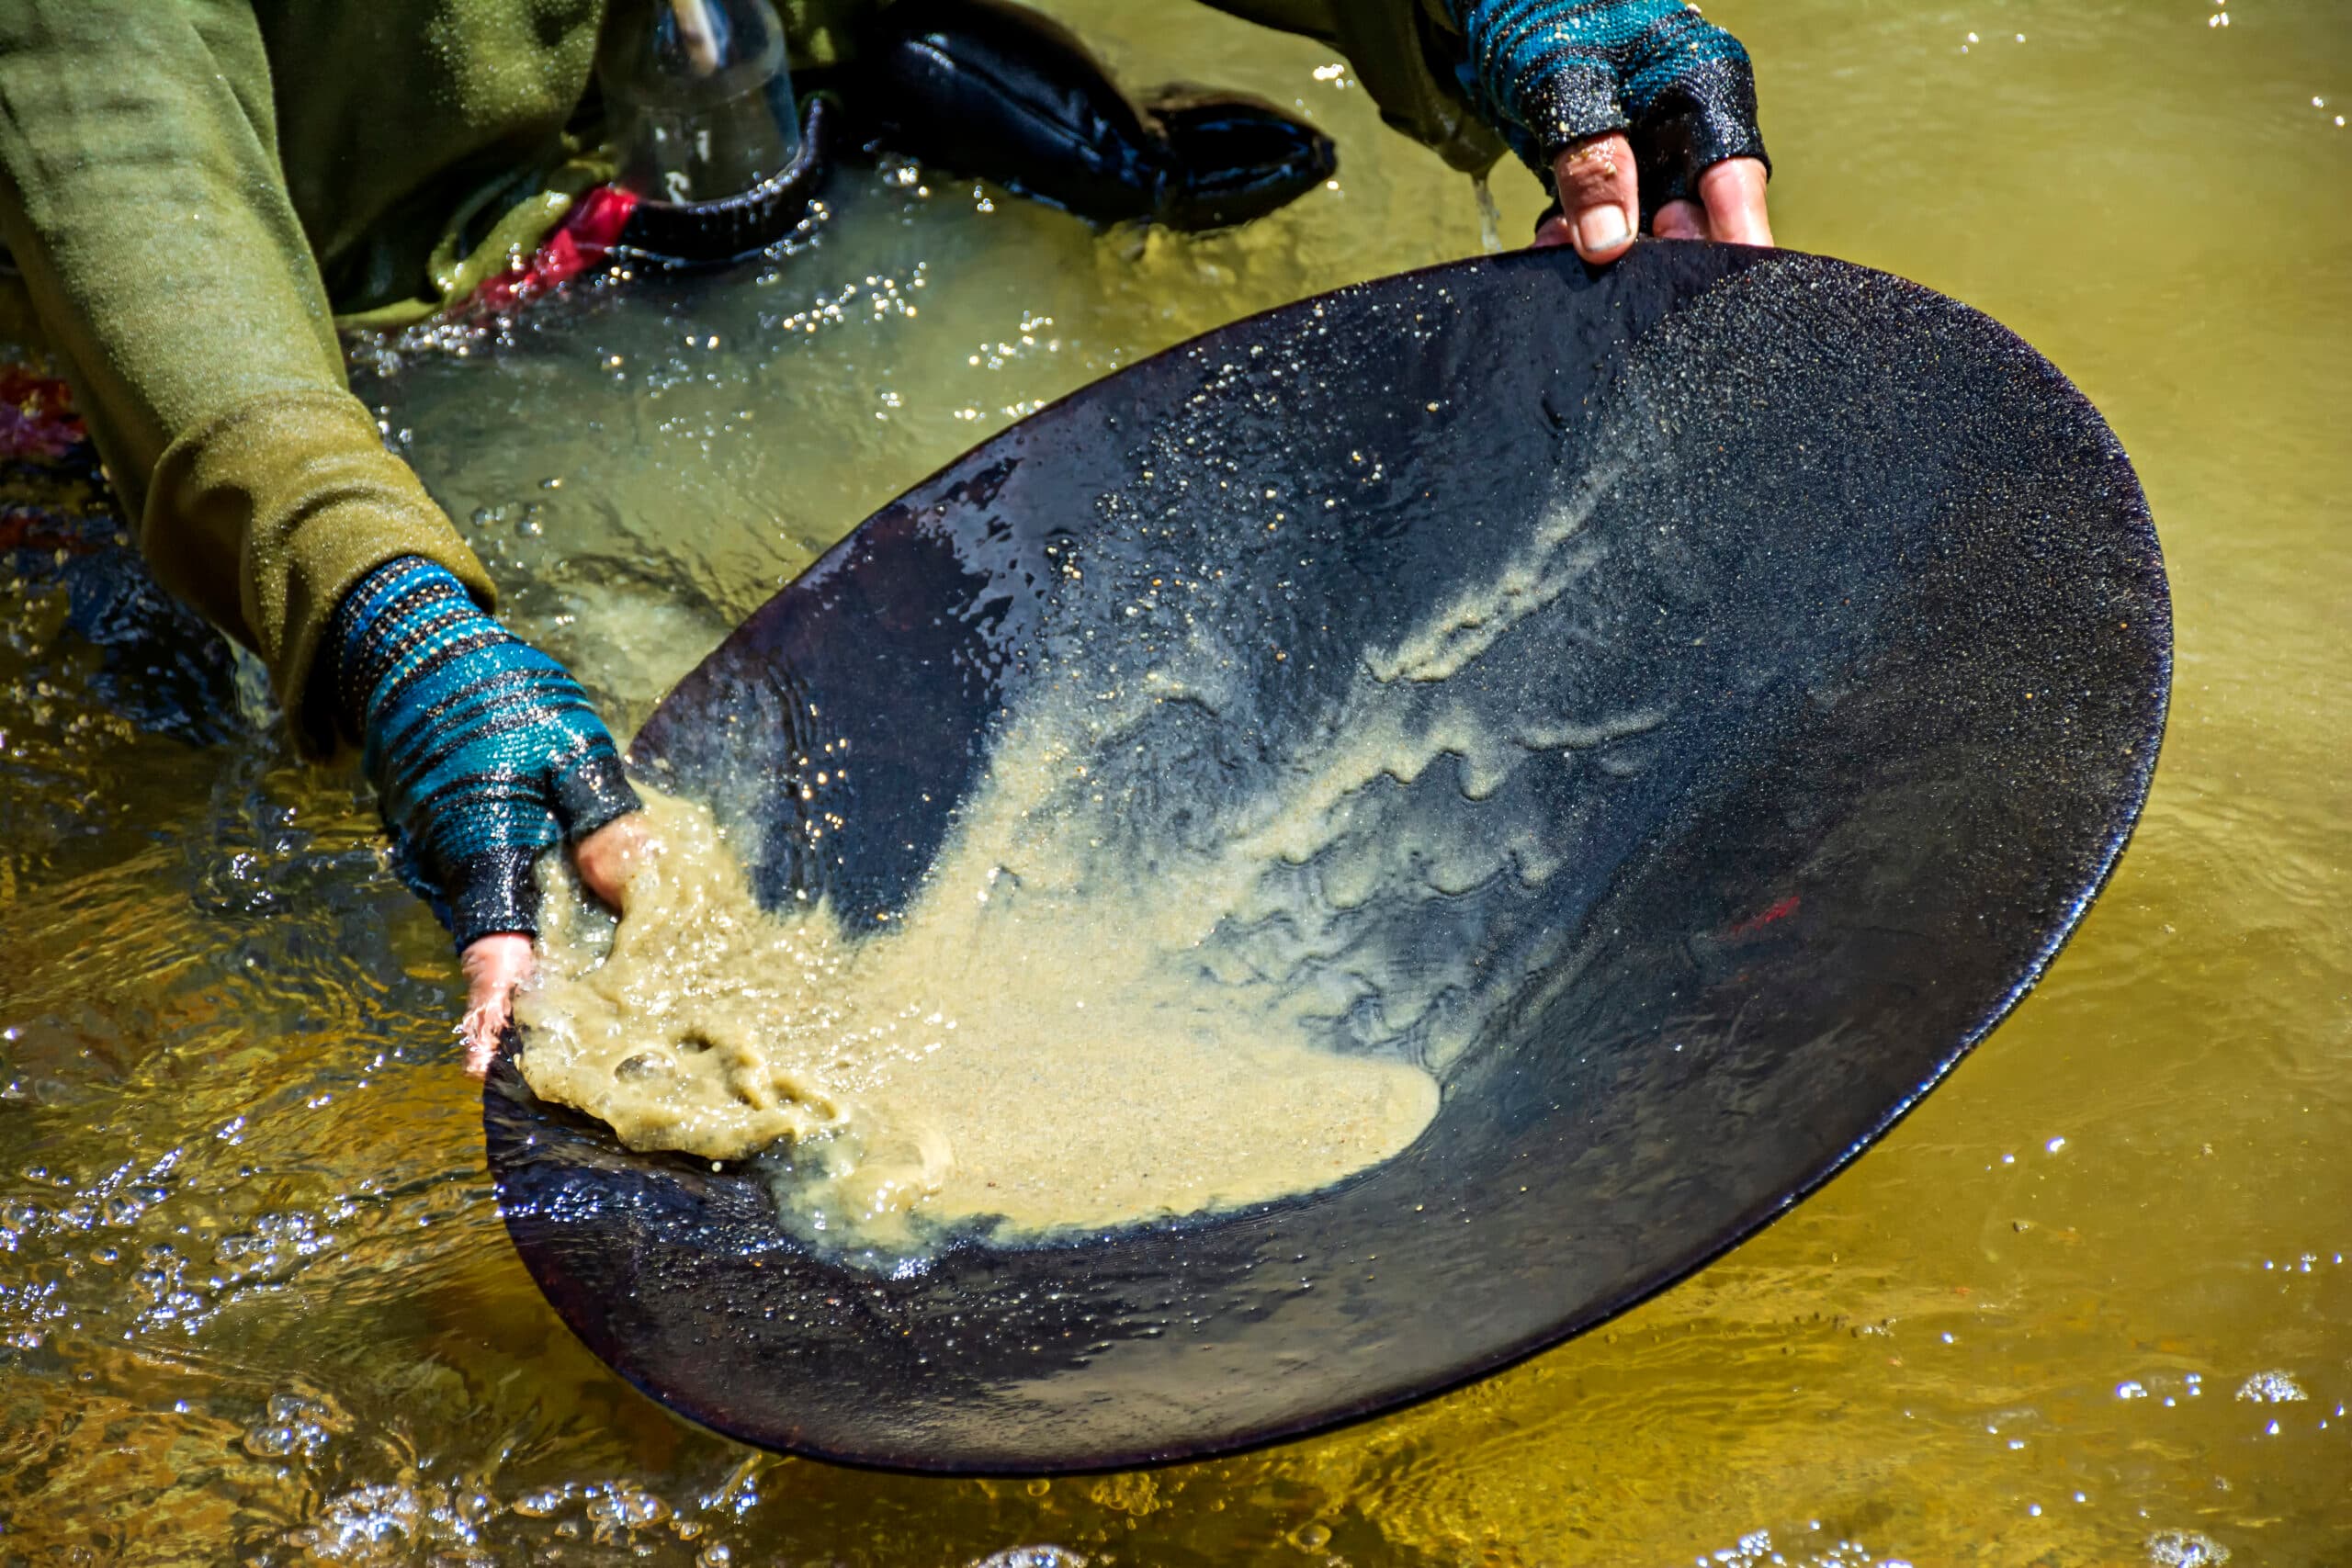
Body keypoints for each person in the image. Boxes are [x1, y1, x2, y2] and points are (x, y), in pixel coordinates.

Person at [0, 0, 1771, 1075]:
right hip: (282, 388)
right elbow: (143, 208)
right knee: (682, 886)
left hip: (734, 179)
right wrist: (382, 616)